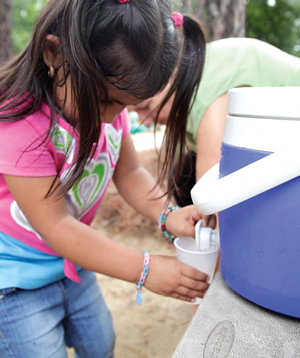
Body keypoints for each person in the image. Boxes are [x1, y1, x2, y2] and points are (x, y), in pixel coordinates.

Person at [0, 1, 210, 357]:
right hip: (16, 282)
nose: (113, 116)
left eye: (126, 106)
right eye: (104, 100)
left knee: (100, 344)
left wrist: (168, 213)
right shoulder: (19, 125)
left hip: (75, 266)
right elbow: (58, 226)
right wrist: (145, 268)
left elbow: (129, 173)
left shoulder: (110, 104)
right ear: (53, 53)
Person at [132, 37, 300, 206]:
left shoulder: (208, 98)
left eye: (146, 107)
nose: (144, 122)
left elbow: (214, 201)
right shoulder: (196, 76)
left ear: (170, 77)